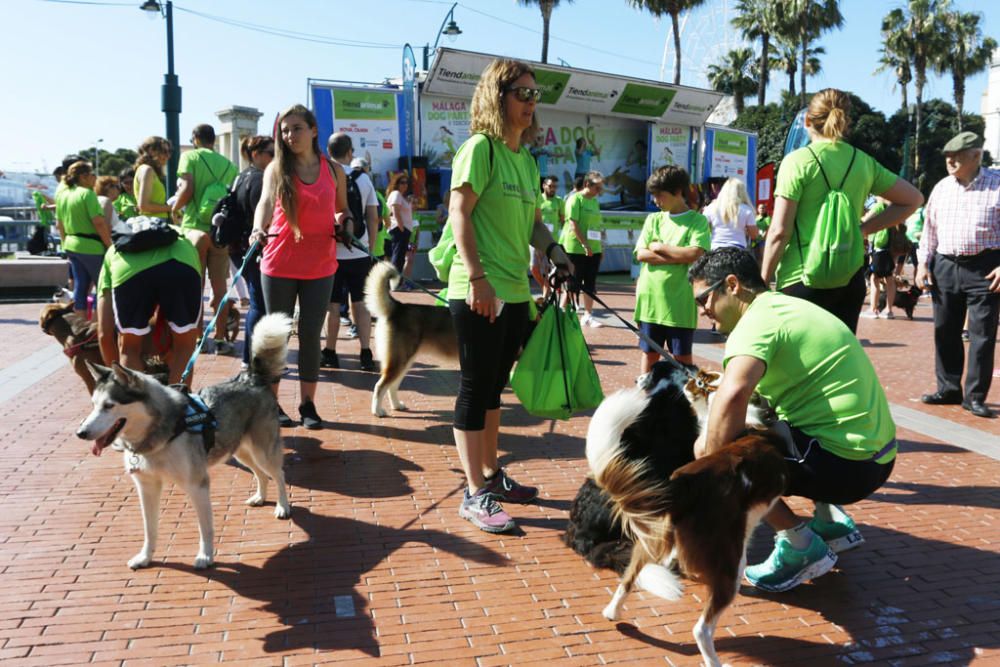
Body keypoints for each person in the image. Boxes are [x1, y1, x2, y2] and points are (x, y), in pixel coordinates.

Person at [690, 247, 898, 592]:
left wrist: (709, 467)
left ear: (732, 285)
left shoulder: (752, 325)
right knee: (769, 428)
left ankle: (800, 546)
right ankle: (831, 523)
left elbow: (732, 396)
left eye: (704, 300)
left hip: (847, 467)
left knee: (722, 457)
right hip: (879, 456)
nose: (703, 312)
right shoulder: (788, 307)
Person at [447, 58, 571, 533]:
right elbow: (460, 213)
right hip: (480, 288)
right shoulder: (482, 149)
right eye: (522, 93)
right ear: (497, 97)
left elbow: (533, 224)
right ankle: (473, 491)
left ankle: (493, 476)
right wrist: (478, 278)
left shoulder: (525, 159)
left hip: (517, 291)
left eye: (535, 95)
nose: (530, 103)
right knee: (475, 387)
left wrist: (555, 250)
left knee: (495, 386)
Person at [760, 88, 923, 333]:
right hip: (849, 278)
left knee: (797, 365)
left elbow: (779, 232)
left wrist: (762, 281)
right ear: (846, 121)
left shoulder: (796, 162)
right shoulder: (864, 162)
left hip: (801, 279)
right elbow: (913, 199)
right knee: (839, 362)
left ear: (807, 120)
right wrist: (864, 229)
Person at [250, 104, 347, 430]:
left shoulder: (334, 171)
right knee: (277, 336)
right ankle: (271, 404)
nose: (290, 135)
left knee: (309, 335)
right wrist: (257, 228)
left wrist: (343, 222)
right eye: (286, 130)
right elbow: (265, 203)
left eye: (297, 128)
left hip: (321, 264)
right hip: (279, 262)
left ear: (314, 130)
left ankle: (308, 405)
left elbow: (341, 209)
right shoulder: (276, 169)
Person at [916, 131, 1000, 419]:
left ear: (976, 156)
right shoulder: (941, 188)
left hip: (985, 267)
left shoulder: (997, 184)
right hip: (945, 265)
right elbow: (930, 230)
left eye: (957, 156)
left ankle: (975, 397)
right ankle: (949, 387)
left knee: (982, 335)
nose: (950, 161)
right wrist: (923, 264)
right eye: (948, 156)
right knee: (945, 330)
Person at [95, 234, 202, 386]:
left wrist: (116, 377)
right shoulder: (184, 243)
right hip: (180, 263)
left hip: (128, 268)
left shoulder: (113, 250)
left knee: (129, 348)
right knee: (184, 347)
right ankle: (178, 404)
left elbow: (103, 334)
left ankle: (134, 403)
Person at [634, 165, 710, 373]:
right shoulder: (653, 219)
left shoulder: (697, 221)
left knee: (682, 359)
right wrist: (678, 255)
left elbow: (695, 254)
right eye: (654, 195)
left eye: (660, 195)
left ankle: (683, 403)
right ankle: (647, 401)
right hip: (650, 303)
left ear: (678, 192)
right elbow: (641, 254)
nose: (655, 201)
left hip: (679, 305)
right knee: (649, 355)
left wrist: (658, 247)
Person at [173, 124, 239, 356]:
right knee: (220, 288)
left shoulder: (189, 156)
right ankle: (220, 338)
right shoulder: (229, 166)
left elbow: (187, 188)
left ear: (195, 138)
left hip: (193, 229)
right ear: (214, 140)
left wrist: (175, 209)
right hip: (218, 231)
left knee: (195, 287)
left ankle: (199, 336)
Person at [321, 133, 379, 373]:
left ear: (328, 150)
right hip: (359, 251)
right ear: (350, 152)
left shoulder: (324, 175)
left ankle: (331, 352)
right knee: (361, 304)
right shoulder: (363, 179)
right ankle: (365, 352)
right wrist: (371, 249)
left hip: (330, 253)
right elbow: (372, 217)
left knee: (332, 306)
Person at [231, 135, 274, 373]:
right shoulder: (259, 180)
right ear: (255, 154)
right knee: (260, 304)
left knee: (258, 302)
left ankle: (251, 359)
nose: (274, 158)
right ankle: (251, 360)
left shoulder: (241, 176)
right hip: (255, 248)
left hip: (239, 248)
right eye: (270, 153)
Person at [55, 161, 110, 318]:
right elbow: (98, 222)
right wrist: (109, 245)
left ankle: (80, 324)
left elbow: (59, 225)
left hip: (71, 245)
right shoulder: (87, 193)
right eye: (93, 174)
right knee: (103, 286)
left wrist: (65, 244)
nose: (95, 178)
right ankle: (101, 326)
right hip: (91, 246)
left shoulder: (63, 196)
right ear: (84, 176)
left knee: (80, 285)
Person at [561, 170, 605, 327]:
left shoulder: (594, 202)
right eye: (597, 188)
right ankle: (561, 313)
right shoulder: (575, 199)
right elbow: (573, 224)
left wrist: (600, 248)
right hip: (575, 249)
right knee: (572, 284)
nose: (600, 192)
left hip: (593, 250)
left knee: (590, 284)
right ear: (587, 184)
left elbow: (597, 226)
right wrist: (584, 244)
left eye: (601, 189)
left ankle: (588, 315)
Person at [862, 196, 897, 319]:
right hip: (890, 247)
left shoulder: (878, 207)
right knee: (889, 278)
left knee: (874, 278)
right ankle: (889, 310)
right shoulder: (893, 208)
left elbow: (865, 220)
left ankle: (873, 309)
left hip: (879, 246)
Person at [704, 177, 758, 250]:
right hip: (738, 250)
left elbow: (703, 227)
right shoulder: (746, 210)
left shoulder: (711, 207)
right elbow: (754, 235)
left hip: (715, 249)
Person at [133, 137, 174, 221]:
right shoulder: (147, 170)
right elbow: (144, 206)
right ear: (151, 150)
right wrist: (172, 208)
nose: (168, 156)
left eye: (169, 152)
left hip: (154, 222)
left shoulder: (147, 170)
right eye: (164, 151)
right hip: (153, 223)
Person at [385, 172, 414, 277]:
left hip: (403, 230)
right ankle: (394, 281)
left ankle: (396, 281)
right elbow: (395, 212)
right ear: (396, 183)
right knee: (398, 256)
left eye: (406, 183)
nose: (405, 185)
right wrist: (402, 228)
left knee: (400, 257)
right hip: (399, 229)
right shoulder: (396, 194)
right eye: (402, 182)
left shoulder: (401, 196)